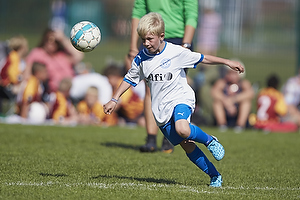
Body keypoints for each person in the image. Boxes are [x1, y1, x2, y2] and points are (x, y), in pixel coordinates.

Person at [104, 12, 245, 187]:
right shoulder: (141, 58)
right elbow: (129, 79)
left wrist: (227, 62)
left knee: (183, 129)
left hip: (181, 98)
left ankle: (210, 140)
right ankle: (215, 176)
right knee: (187, 145)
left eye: (150, 39)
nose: (146, 43)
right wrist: (114, 99)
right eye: (143, 39)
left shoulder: (175, 52)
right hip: (160, 111)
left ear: (161, 36)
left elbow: (203, 58)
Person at [127, 0, 198, 153]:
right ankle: (151, 139)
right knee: (150, 89)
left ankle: (169, 138)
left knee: (173, 89)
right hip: (150, 38)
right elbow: (138, 12)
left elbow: (191, 15)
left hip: (178, 40)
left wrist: (185, 45)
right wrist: (133, 46)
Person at [25, 28, 83, 93]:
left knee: (94, 79)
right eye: (48, 40)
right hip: (55, 87)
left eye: (55, 41)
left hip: (71, 83)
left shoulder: (62, 54)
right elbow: (27, 72)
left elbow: (78, 56)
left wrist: (63, 39)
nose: (51, 43)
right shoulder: (38, 53)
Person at [211, 65, 254, 133]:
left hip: (238, 109)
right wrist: (226, 102)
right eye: (230, 73)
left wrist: (233, 100)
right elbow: (214, 92)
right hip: (225, 109)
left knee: (246, 103)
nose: (232, 76)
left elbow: (250, 93)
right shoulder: (222, 83)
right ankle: (222, 125)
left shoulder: (243, 83)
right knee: (217, 103)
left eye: (235, 73)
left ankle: (240, 126)